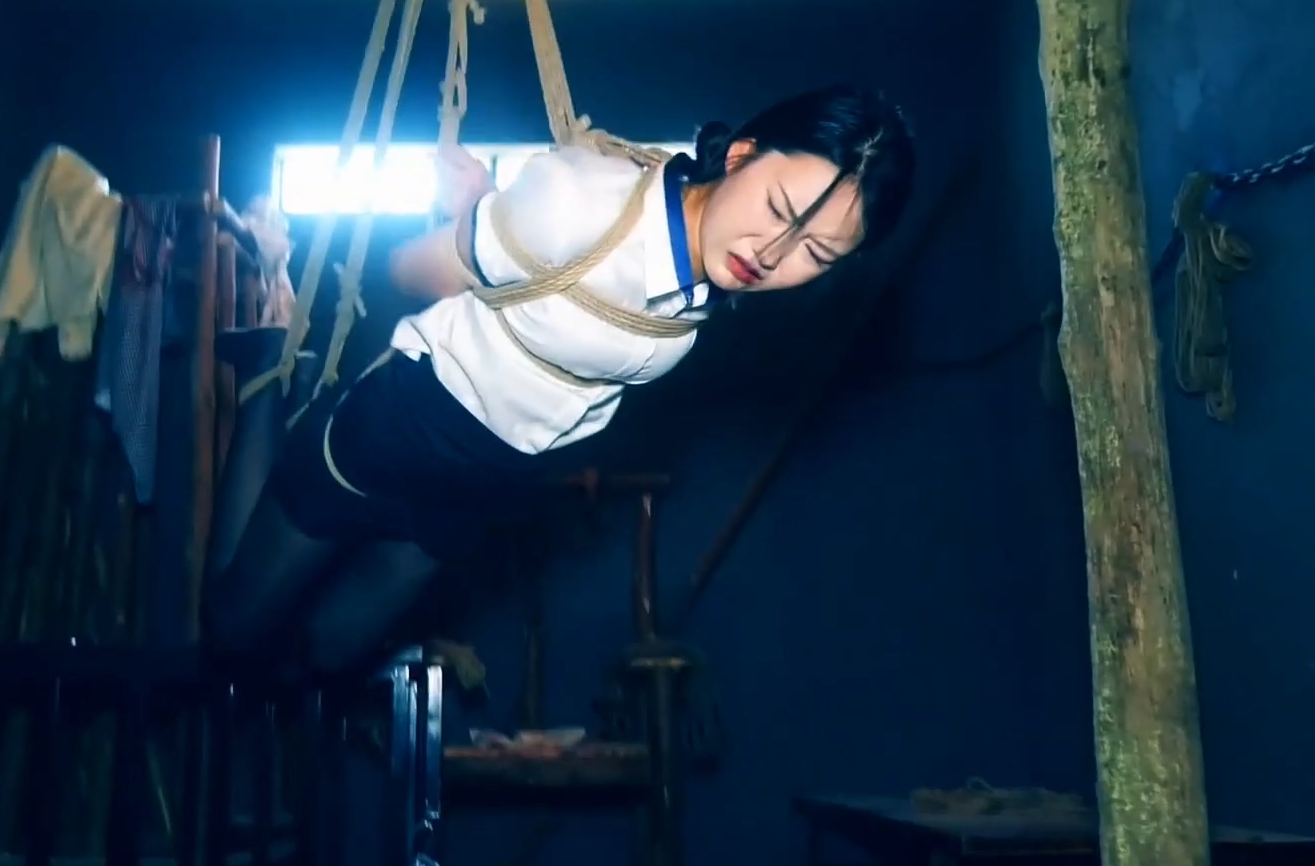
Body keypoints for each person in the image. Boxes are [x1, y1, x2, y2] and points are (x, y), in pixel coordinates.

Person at [204, 84, 916, 672]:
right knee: (233, 630)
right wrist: (487, 226)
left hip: (477, 488)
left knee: (324, 655)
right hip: (403, 426)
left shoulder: (706, 282)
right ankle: (270, 364)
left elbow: (561, 305)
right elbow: (409, 270)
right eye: (778, 210)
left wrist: (486, 211)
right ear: (741, 155)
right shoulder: (583, 201)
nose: (773, 253)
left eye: (817, 253)